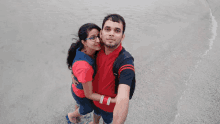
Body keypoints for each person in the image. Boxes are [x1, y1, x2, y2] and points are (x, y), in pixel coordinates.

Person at [72, 14, 136, 124]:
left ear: (122, 36)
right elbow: (79, 55)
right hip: (94, 101)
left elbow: (123, 98)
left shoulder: (125, 61)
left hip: (109, 108)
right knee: (96, 116)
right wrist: (74, 74)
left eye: (117, 30)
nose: (111, 33)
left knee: (106, 121)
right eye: (107, 29)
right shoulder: (97, 48)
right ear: (101, 33)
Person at [66, 23, 117, 124]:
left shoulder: (90, 49)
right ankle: (71, 116)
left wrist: (73, 75)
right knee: (87, 108)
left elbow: (74, 64)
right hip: (81, 93)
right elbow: (89, 94)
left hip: (80, 85)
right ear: (84, 42)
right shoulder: (84, 67)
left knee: (83, 105)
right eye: (92, 38)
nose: (98, 40)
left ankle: (78, 107)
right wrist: (111, 101)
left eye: (98, 36)